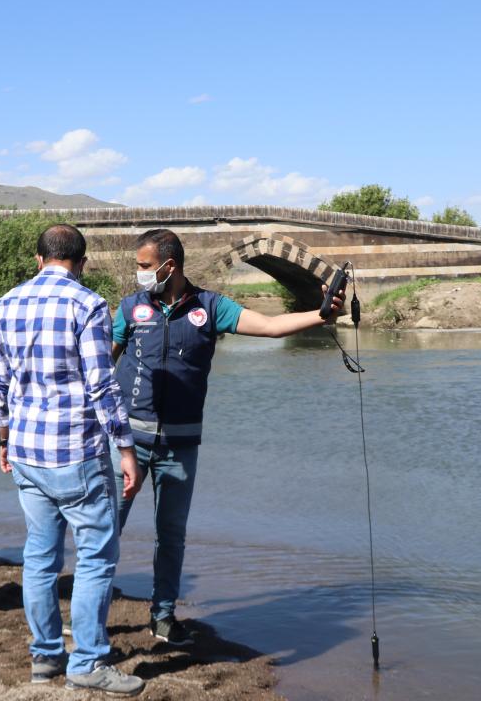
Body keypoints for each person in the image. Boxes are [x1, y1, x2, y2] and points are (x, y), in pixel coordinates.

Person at [110, 228, 344, 645]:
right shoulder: (129, 309)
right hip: (128, 444)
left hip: (180, 447)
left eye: (145, 267)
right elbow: (101, 367)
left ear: (170, 266)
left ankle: (162, 616)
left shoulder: (211, 307)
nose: (139, 275)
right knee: (106, 527)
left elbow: (270, 326)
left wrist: (321, 315)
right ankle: (92, 609)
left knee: (172, 537)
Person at [0, 224, 146, 695]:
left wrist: (3, 438)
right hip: (76, 451)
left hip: (27, 452)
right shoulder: (87, 304)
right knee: (96, 556)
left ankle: (46, 657)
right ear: (81, 262)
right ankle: (89, 662)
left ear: (39, 259)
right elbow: (102, 385)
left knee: (39, 555)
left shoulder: (6, 303)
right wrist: (126, 447)